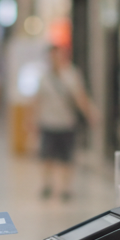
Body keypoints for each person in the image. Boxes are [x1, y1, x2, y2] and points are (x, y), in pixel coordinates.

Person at [36, 44, 98, 201]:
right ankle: (47, 185)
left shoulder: (71, 74)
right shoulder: (44, 76)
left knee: (67, 157)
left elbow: (80, 97)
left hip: (66, 122)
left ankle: (65, 188)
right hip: (48, 122)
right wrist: (31, 120)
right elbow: (37, 100)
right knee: (47, 156)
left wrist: (90, 112)